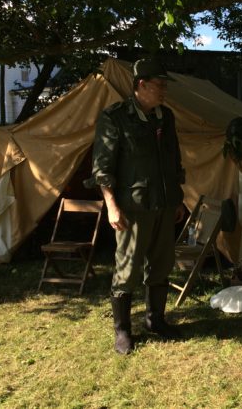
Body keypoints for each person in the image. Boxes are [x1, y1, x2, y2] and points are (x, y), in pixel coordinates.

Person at [91, 58, 186, 355]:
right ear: (141, 85)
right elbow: (102, 167)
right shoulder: (115, 117)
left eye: (165, 85)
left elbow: (173, 160)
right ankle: (122, 331)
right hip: (132, 207)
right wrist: (111, 206)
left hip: (165, 203)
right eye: (160, 85)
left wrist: (178, 198)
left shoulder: (165, 117)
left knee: (161, 264)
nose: (164, 91)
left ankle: (155, 320)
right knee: (127, 269)